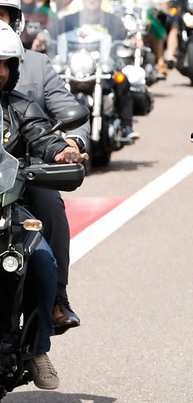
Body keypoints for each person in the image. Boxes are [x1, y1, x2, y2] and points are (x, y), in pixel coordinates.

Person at [0, 22, 88, 390]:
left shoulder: (19, 107)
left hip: (8, 207)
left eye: (3, 63)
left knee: (41, 259)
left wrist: (62, 150)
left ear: (13, 68)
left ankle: (36, 348)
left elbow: (42, 136)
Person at [56, 0, 139, 140]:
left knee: (122, 80)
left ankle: (126, 126)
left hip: (103, 68)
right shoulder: (69, 20)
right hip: (73, 69)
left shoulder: (112, 21)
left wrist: (132, 41)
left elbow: (123, 39)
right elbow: (54, 38)